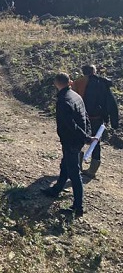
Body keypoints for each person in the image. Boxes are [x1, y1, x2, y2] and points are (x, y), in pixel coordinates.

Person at [41, 73, 96, 218]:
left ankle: (78, 208)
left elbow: (70, 124)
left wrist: (86, 137)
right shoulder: (75, 96)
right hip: (76, 140)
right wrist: (87, 135)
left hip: (71, 141)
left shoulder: (63, 101)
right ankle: (56, 189)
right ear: (69, 82)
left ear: (56, 83)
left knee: (74, 174)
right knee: (65, 165)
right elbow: (85, 117)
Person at [71, 64, 119, 178]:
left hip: (81, 117)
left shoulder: (78, 83)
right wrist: (114, 122)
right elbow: (112, 104)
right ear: (94, 71)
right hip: (97, 118)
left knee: (79, 139)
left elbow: (71, 101)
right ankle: (92, 170)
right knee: (96, 142)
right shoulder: (102, 83)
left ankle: (77, 166)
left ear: (83, 72)